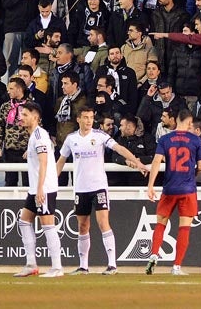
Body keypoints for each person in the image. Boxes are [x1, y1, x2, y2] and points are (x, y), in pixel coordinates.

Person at [56, 105, 145, 275]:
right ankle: (83, 266)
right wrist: (52, 181)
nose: (89, 121)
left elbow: (119, 148)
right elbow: (61, 160)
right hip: (80, 188)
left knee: (103, 222)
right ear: (78, 119)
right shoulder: (71, 139)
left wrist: (137, 162)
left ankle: (112, 265)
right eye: (86, 117)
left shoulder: (100, 136)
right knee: (83, 226)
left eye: (91, 117)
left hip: (98, 187)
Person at [145, 109, 201, 276]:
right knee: (184, 228)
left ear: (177, 120)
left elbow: (156, 161)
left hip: (169, 188)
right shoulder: (195, 140)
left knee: (160, 224)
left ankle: (154, 254)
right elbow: (200, 166)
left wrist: (150, 185)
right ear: (188, 123)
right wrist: (192, 176)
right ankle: (176, 266)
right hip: (188, 189)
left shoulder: (165, 139)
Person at [12, 101, 65, 279]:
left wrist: (41, 188)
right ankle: (31, 264)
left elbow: (43, 162)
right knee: (24, 221)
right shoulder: (35, 136)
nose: (21, 117)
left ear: (35, 117)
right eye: (21, 114)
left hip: (44, 188)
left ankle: (57, 267)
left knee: (48, 225)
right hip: (35, 188)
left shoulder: (40, 135)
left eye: (25, 114)